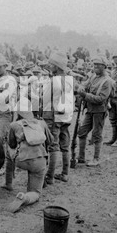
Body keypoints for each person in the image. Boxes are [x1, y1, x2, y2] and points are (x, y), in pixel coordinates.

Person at [3, 97, 53, 213]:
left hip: (21, 160)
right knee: (35, 192)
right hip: (39, 161)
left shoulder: (14, 125)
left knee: (7, 151)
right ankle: (25, 197)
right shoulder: (41, 123)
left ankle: (8, 183)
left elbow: (11, 144)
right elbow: (50, 141)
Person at [42, 50, 74, 183]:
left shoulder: (53, 81)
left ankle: (50, 176)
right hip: (65, 116)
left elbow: (45, 98)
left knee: (53, 146)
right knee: (65, 146)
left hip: (53, 116)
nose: (49, 66)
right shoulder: (69, 80)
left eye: (51, 64)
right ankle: (65, 173)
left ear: (56, 66)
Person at [76, 55, 113, 167]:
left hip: (99, 111)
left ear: (104, 66)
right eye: (94, 64)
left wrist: (85, 95)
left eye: (98, 65)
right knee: (81, 132)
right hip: (90, 109)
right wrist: (81, 87)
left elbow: (101, 99)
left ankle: (96, 158)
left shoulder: (107, 81)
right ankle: (81, 158)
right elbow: (85, 84)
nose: (95, 66)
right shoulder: (93, 76)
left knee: (96, 135)